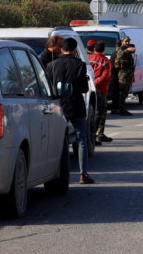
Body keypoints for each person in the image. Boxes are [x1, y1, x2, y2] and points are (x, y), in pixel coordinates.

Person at [45, 37, 94, 184]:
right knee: (81, 140)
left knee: (57, 140)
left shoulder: (51, 66)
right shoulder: (80, 65)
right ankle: (83, 174)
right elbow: (84, 88)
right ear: (74, 50)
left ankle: (56, 172)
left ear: (61, 49)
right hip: (75, 106)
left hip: (57, 106)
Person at [89, 40, 113, 144]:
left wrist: (90, 84)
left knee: (90, 113)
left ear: (94, 49)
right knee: (99, 114)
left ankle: (93, 135)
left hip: (88, 89)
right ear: (104, 50)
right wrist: (95, 84)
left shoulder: (89, 59)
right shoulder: (105, 61)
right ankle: (93, 137)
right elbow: (105, 76)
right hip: (100, 90)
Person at [114, 36, 135, 116]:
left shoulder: (127, 50)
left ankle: (122, 109)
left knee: (125, 92)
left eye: (128, 41)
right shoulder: (121, 49)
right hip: (123, 74)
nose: (127, 43)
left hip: (128, 73)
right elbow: (119, 55)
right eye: (126, 41)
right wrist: (127, 50)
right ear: (122, 42)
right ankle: (121, 110)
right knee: (122, 92)